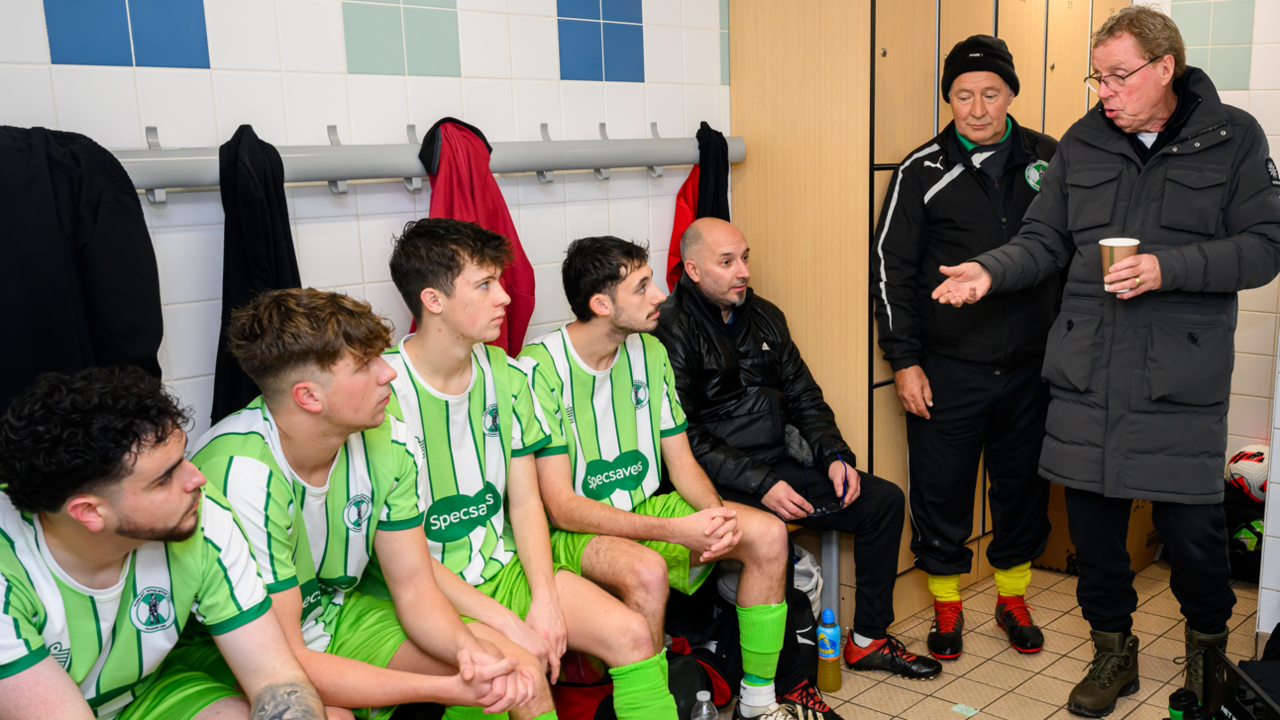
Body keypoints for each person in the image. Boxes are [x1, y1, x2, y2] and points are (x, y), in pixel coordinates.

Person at [930, 7, 1280, 717]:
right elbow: (1043, 241)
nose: (1105, 92)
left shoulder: (1233, 138)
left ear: (1165, 69)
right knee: (1094, 536)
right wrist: (990, 273)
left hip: (1178, 380)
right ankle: (1112, 653)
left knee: (1194, 539)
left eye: (1119, 76)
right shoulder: (1083, 143)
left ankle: (1207, 661)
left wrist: (1167, 268)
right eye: (1099, 77)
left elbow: (1266, 246)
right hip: (1087, 375)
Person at [381, 218, 680, 720]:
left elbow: (524, 504)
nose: (504, 297)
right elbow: (404, 562)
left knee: (632, 634)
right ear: (433, 301)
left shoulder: (508, 376)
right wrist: (510, 624)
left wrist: (543, 598)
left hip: (505, 569)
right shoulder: (382, 395)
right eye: (485, 284)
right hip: (429, 588)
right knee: (518, 675)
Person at [187, 288, 535, 719]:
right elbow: (284, 661)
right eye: (365, 365)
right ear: (309, 397)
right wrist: (444, 687)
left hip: (336, 615)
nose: (388, 373)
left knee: (505, 670)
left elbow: (415, 589)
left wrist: (469, 654)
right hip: (239, 653)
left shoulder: (390, 440)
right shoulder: (241, 474)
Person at [519, 236, 800, 720]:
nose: (660, 297)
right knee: (646, 571)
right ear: (601, 304)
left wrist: (714, 516)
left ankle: (758, 703)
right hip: (573, 532)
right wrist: (675, 530)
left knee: (769, 535)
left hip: (644, 507)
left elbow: (682, 461)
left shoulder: (648, 351)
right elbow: (561, 507)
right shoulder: (537, 369)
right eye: (642, 287)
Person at [655, 217, 942, 683]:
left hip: (777, 465)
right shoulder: (668, 331)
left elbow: (805, 396)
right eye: (726, 262)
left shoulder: (766, 314)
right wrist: (763, 485)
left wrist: (834, 456)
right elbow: (686, 438)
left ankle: (868, 639)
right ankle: (791, 682)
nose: (743, 271)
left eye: (745, 257)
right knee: (773, 538)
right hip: (715, 484)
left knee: (882, 501)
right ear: (692, 269)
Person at [869, 35, 1060, 661]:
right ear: (948, 98)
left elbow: (1069, 254)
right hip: (947, 369)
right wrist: (905, 360)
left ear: (1011, 93)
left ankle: (1012, 599)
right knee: (941, 491)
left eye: (990, 93)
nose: (976, 108)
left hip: (1032, 367)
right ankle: (947, 609)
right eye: (961, 96)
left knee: (1022, 489)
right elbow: (889, 270)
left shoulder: (1049, 160)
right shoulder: (920, 169)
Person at [0, 366, 327, 720]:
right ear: (90, 513)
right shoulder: (8, 572)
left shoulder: (196, 509)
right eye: (164, 478)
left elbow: (276, 681)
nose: (198, 477)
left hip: (143, 697)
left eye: (183, 458)